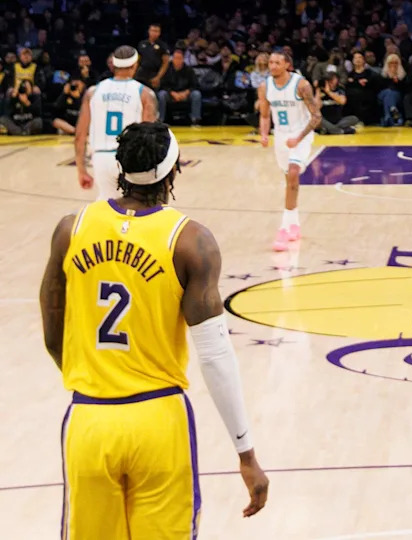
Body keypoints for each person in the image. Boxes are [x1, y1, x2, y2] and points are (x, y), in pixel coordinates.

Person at [39, 123, 269, 538]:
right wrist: (245, 452)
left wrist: (99, 378)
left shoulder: (70, 229)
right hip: (159, 419)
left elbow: (54, 336)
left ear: (120, 167)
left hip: (90, 418)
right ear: (174, 169)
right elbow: (215, 357)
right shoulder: (190, 242)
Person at [75, 45, 158, 200]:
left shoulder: (93, 92)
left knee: (106, 204)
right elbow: (149, 137)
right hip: (130, 158)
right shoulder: (145, 93)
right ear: (135, 66)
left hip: (100, 159)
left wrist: (81, 170)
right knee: (135, 207)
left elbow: (80, 135)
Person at [258, 51, 322, 252]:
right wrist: (264, 134)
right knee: (289, 181)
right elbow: (265, 115)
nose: (273, 66)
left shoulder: (301, 85)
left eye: (277, 62)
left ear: (288, 65)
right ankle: (295, 224)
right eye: (271, 62)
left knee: (293, 173)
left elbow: (316, 117)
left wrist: (299, 138)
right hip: (281, 137)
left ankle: (284, 229)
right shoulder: (265, 86)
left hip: (300, 135)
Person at [158, 50, 202, 125]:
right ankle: (160, 120)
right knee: (161, 94)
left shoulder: (189, 70)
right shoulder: (167, 69)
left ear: (183, 59)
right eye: (176, 58)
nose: (177, 60)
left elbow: (195, 85)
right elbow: (163, 85)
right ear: (173, 59)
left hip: (185, 94)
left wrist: (185, 93)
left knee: (196, 94)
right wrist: (173, 93)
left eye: (179, 58)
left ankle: (195, 119)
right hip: (171, 94)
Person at [135, 23, 171, 89]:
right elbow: (138, 60)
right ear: (149, 31)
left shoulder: (163, 46)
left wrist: (158, 77)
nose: (154, 33)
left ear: (159, 33)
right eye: (152, 30)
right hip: (142, 73)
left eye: (156, 31)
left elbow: (165, 63)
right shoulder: (142, 44)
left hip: (155, 73)